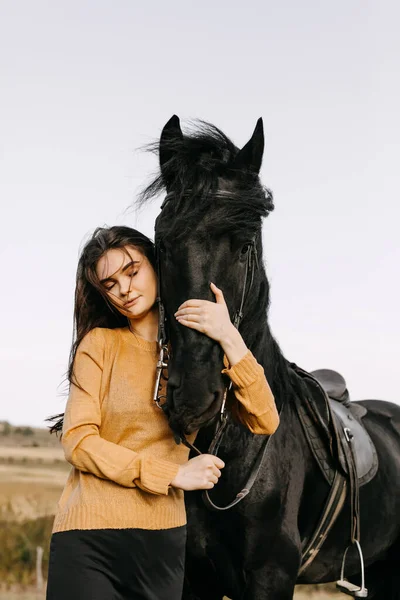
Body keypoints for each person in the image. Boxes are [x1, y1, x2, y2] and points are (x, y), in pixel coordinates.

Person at [46, 225, 279, 599]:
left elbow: (264, 419)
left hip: (162, 542)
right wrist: (173, 473)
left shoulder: (198, 355)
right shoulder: (100, 344)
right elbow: (78, 441)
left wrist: (228, 335)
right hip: (88, 536)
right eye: (109, 284)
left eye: (132, 271)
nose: (124, 289)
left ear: (157, 266)